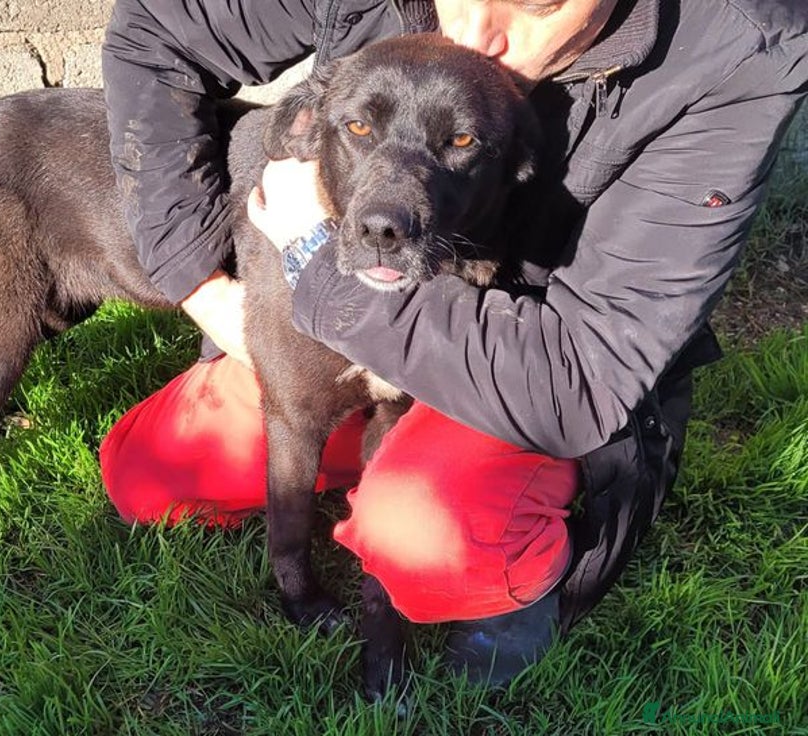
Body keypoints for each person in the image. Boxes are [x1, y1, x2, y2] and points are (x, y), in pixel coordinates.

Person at [100, 0, 808, 684]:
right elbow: (155, 31)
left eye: (535, 5)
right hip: (359, 307)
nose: (472, 33)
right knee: (150, 476)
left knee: (421, 533)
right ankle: (367, 442)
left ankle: (517, 566)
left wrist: (315, 251)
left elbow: (581, 380)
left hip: (535, 353)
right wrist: (204, 288)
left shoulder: (737, 49)